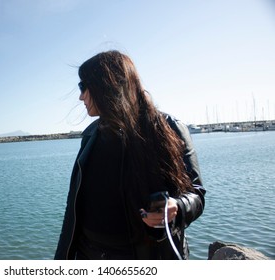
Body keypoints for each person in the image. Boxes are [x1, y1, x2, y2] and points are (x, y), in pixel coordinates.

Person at [54, 50, 205, 260]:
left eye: (83, 86)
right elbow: (72, 213)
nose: (81, 96)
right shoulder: (90, 135)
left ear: (107, 85)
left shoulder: (168, 128)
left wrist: (177, 207)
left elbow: (196, 194)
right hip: (89, 255)